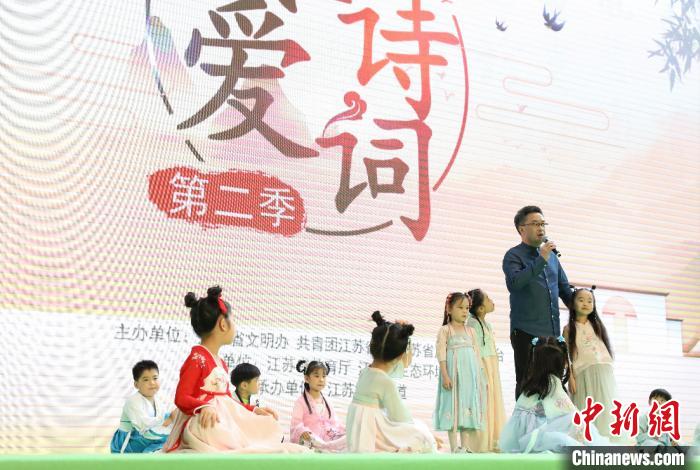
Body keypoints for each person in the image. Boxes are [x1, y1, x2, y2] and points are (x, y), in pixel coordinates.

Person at [163, 286, 306, 453]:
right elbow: (181, 398)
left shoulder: (220, 362)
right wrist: (203, 407)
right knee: (217, 430)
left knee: (266, 423)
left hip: (223, 418)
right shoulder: (197, 358)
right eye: (233, 320)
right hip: (206, 422)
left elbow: (227, 402)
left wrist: (254, 410)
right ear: (223, 324)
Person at [503, 205, 573, 399]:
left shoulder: (553, 258)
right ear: (521, 229)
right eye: (535, 224)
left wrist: (584, 311)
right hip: (526, 332)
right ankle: (525, 420)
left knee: (555, 387)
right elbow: (515, 283)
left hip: (552, 335)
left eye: (543, 224)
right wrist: (541, 258)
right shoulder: (513, 256)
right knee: (528, 386)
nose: (541, 228)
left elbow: (564, 290)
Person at [346, 311, 438, 453]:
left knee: (420, 431)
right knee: (422, 435)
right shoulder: (385, 381)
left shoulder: (365, 372)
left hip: (358, 431)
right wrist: (426, 435)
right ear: (400, 355)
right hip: (371, 434)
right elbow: (400, 416)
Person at [500, 336, 609, 453]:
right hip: (538, 435)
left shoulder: (531, 385)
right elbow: (569, 412)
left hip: (524, 436)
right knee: (579, 425)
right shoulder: (552, 382)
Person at [433, 292, 486, 452]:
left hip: (470, 376)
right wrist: (445, 375)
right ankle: (454, 447)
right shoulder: (445, 330)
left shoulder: (471, 331)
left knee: (467, 405)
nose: (465, 311)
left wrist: (481, 377)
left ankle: (465, 446)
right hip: (453, 375)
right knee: (453, 405)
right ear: (449, 309)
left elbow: (477, 355)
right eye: (460, 307)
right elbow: (441, 354)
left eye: (467, 308)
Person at [562, 286, 615, 437]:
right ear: (573, 304)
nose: (586, 303)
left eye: (590, 301)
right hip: (582, 373)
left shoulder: (598, 326)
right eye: (581, 300)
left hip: (602, 371)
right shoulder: (568, 329)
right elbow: (566, 356)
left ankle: (603, 439)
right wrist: (570, 377)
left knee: (604, 407)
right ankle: (587, 439)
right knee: (586, 408)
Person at [467, 288, 506, 451]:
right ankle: (480, 443)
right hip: (481, 366)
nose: (492, 301)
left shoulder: (486, 324)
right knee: (483, 403)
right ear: (481, 308)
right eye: (488, 298)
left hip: (491, 366)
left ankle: (492, 440)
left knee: (492, 401)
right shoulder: (472, 324)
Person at [110, 360, 173, 453]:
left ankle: (152, 453)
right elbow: (144, 427)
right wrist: (169, 419)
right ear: (136, 384)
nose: (152, 383)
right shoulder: (133, 401)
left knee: (171, 424)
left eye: (155, 378)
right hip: (129, 443)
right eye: (146, 379)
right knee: (168, 424)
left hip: (146, 439)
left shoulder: (159, 403)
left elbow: (162, 422)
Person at [290, 360, 346, 452]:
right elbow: (296, 425)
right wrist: (303, 432)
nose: (321, 380)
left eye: (324, 376)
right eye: (317, 376)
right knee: (310, 440)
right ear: (307, 378)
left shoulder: (327, 401)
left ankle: (327, 448)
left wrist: (345, 430)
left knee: (349, 437)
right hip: (311, 440)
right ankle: (324, 449)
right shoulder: (300, 402)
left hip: (328, 437)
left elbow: (335, 423)